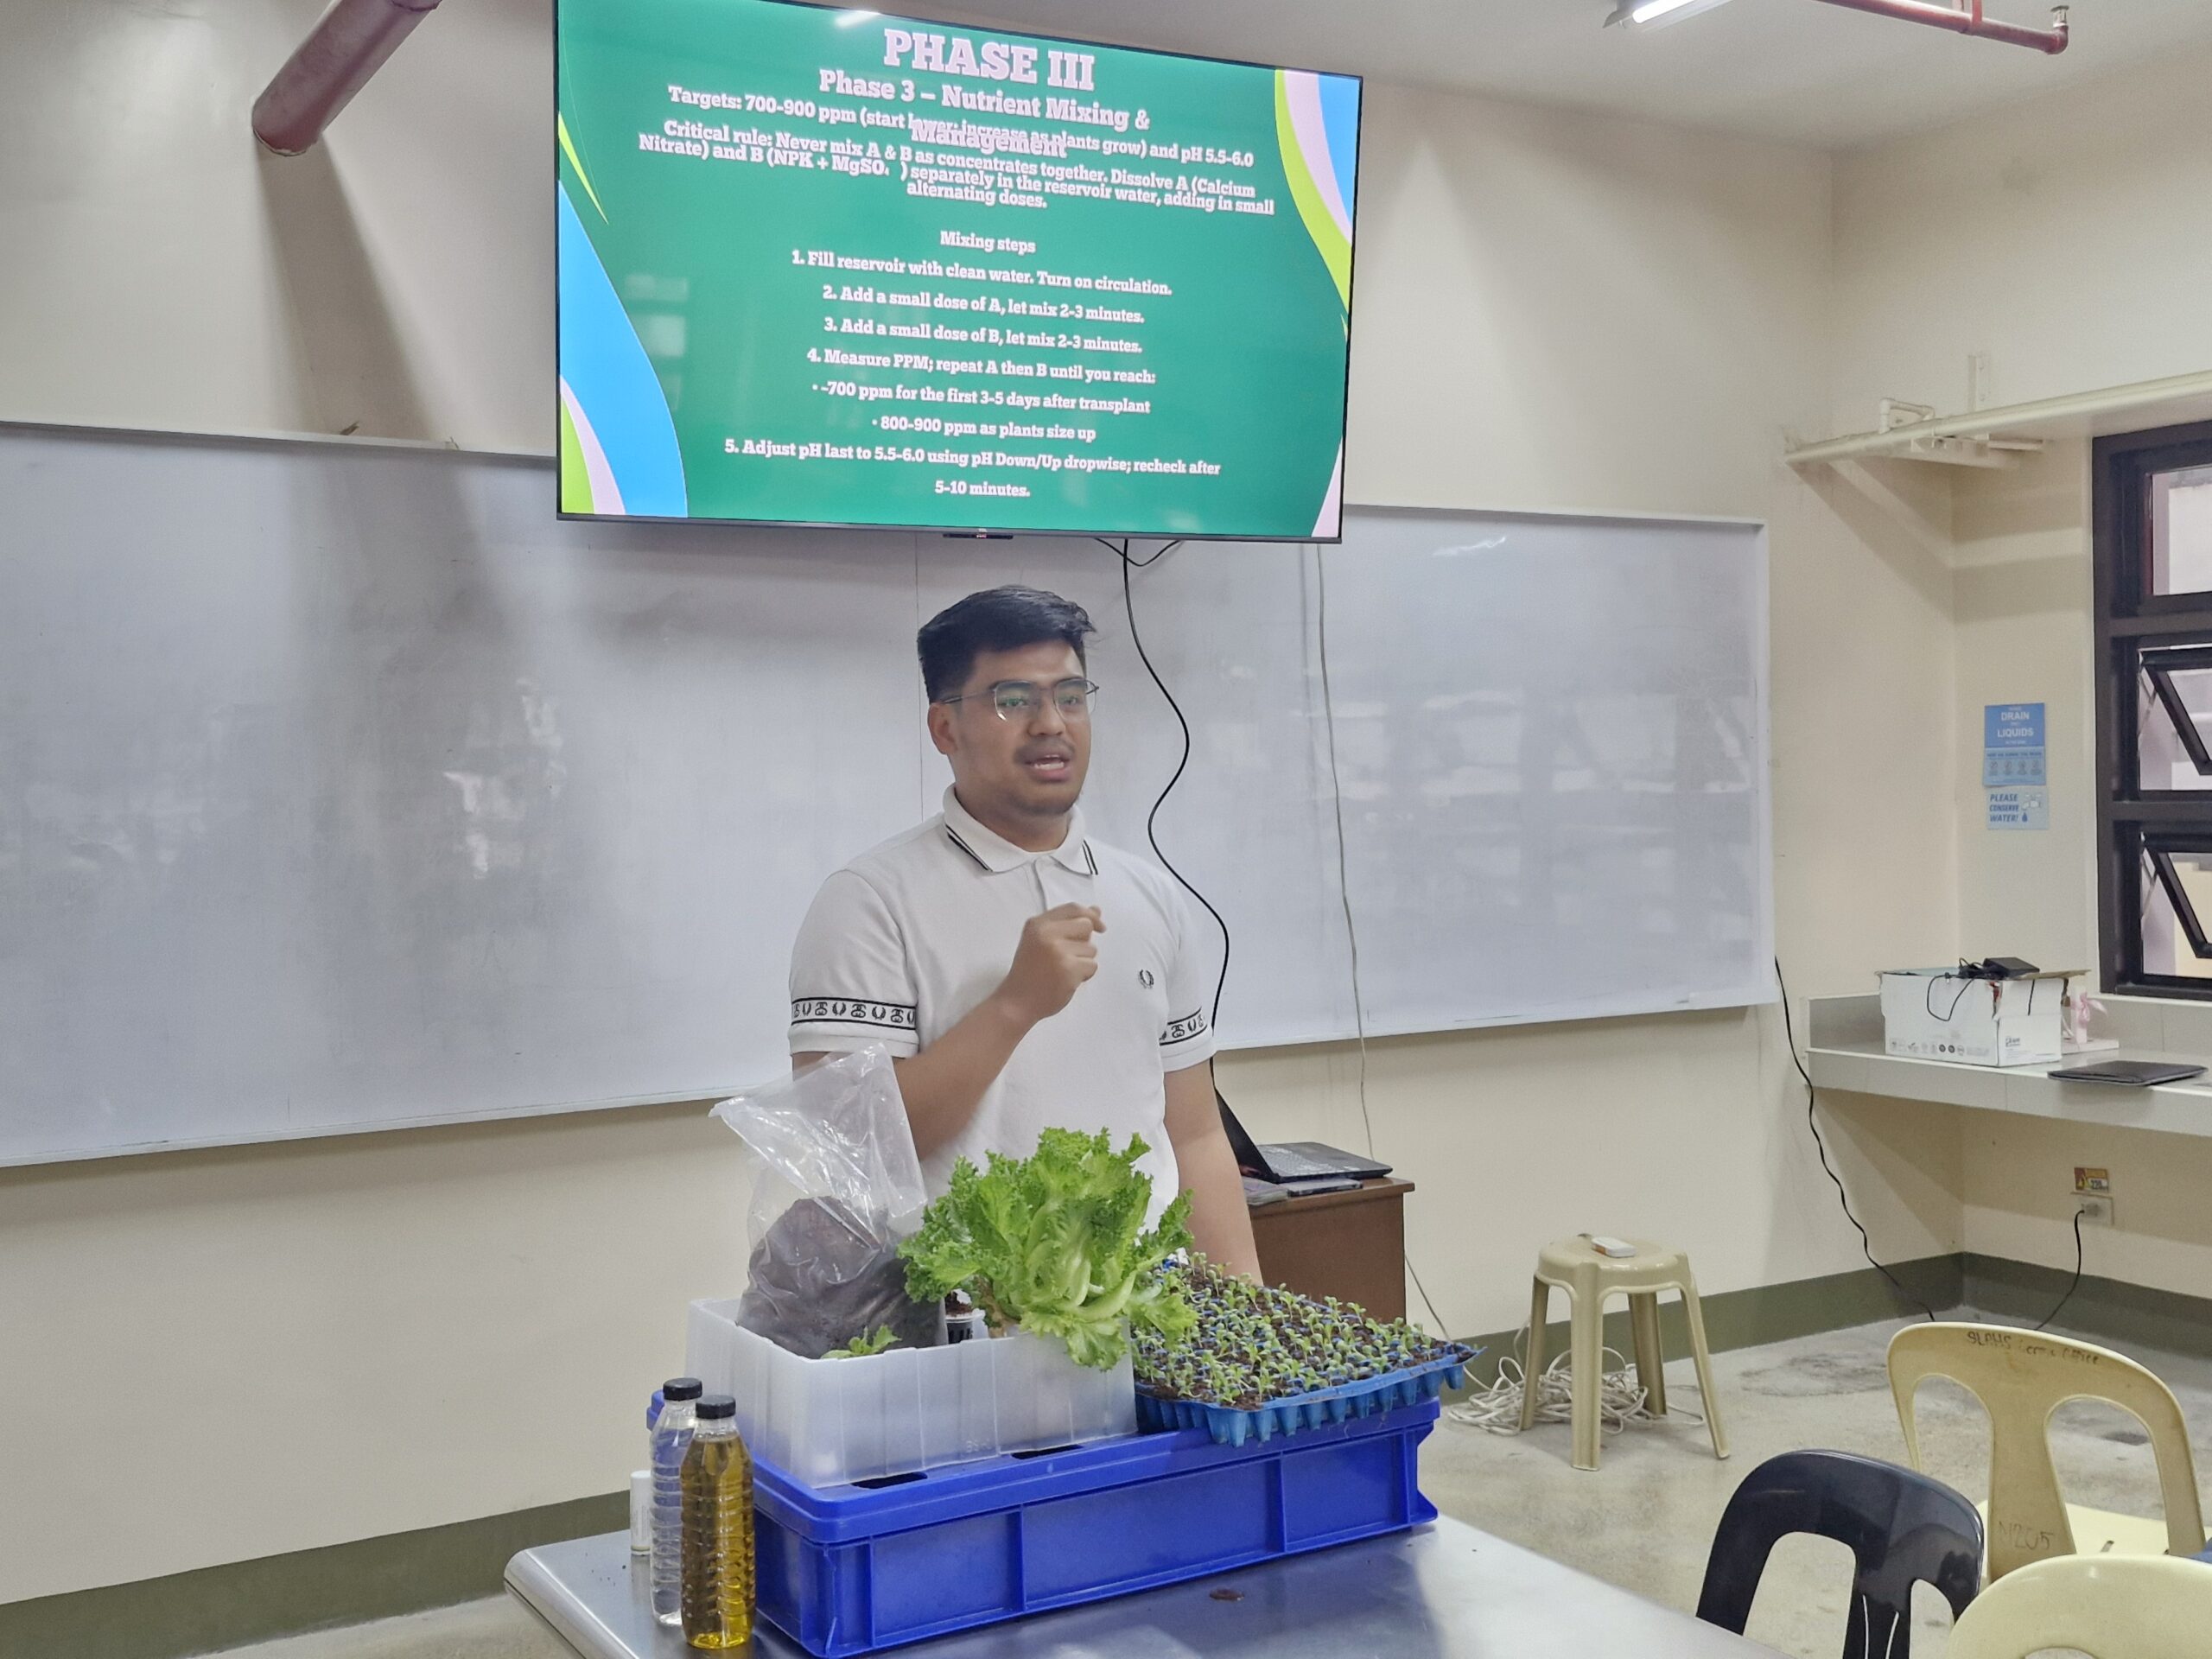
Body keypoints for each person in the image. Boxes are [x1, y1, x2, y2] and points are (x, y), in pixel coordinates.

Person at [788, 585, 1261, 1277]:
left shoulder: (1150, 896)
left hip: (1144, 1302)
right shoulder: (867, 901)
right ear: (944, 728)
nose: (1051, 724)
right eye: (1013, 700)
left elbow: (1193, 1135)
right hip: (960, 1312)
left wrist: (1248, 1306)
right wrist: (1014, 1005)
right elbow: (853, 1150)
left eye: (1070, 697)